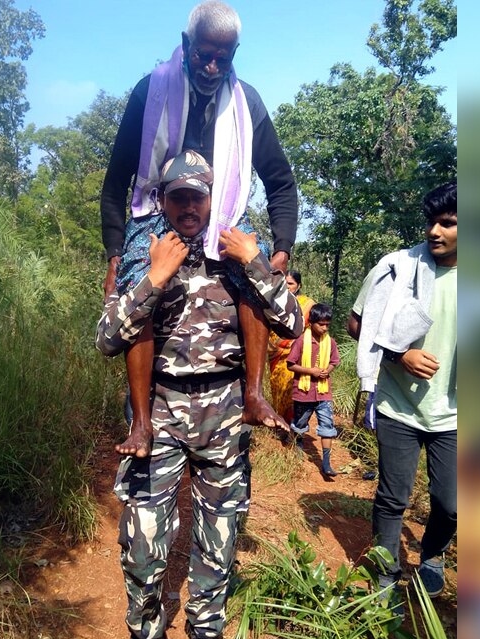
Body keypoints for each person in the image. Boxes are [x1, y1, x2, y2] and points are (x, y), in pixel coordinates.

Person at [96, 150, 302, 639]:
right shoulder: (147, 249)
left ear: (214, 198)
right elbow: (107, 339)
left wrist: (254, 261)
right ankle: (144, 634)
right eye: (178, 197)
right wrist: (154, 279)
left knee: (219, 531)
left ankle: (206, 635)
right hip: (158, 409)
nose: (189, 207)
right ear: (162, 201)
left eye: (198, 196)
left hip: (226, 409)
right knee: (143, 535)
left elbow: (291, 323)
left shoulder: (234, 243)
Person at [101, 0, 299, 459]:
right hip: (157, 207)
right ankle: (143, 424)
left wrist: (279, 251)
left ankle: (251, 394)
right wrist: (116, 253)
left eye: (224, 58)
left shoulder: (246, 102)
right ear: (186, 44)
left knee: (250, 275)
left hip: (224, 209)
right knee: (142, 288)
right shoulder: (149, 91)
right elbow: (115, 183)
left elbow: (281, 182)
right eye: (203, 55)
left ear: (235, 54)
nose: (212, 67)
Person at [350, 182, 457, 599]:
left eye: (447, 223)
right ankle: (384, 576)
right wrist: (398, 356)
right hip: (400, 407)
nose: (435, 231)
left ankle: (432, 553)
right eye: (431, 222)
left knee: (450, 504)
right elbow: (357, 324)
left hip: (454, 413)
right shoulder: (397, 269)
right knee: (393, 497)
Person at [287, 303, 341, 478]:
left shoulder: (330, 342)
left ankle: (326, 464)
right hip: (304, 392)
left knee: (327, 425)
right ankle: (297, 444)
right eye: (321, 324)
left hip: (323, 392)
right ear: (311, 323)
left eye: (327, 325)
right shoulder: (301, 341)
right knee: (300, 423)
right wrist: (311, 371)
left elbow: (334, 362)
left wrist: (328, 371)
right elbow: (291, 364)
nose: (325, 328)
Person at [267, 271, 315, 424]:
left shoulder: (307, 304)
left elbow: (312, 330)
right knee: (278, 389)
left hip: (297, 356)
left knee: (292, 391)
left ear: (298, 285)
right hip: (275, 355)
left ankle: (294, 427)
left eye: (291, 284)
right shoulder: (272, 303)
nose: (287, 287)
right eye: (284, 283)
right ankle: (281, 422)